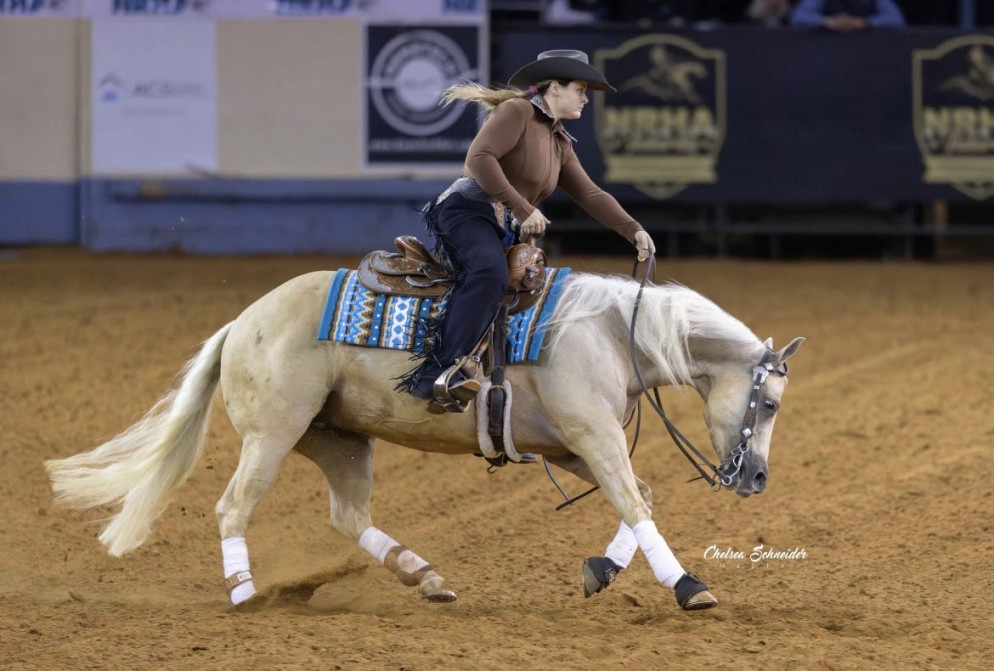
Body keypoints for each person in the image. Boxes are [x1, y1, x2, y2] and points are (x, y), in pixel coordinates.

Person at [400, 50, 656, 410]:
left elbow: (590, 193)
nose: (585, 98)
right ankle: (436, 376)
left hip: (503, 224)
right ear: (554, 88)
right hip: (467, 211)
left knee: (536, 289)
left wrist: (634, 230)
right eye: (580, 88)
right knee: (489, 274)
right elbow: (479, 157)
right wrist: (523, 208)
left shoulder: (560, 141)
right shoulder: (517, 112)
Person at [789, 0, 906, 30]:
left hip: (868, 54)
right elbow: (798, 17)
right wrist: (829, 22)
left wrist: (863, 22)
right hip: (827, 53)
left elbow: (897, 19)